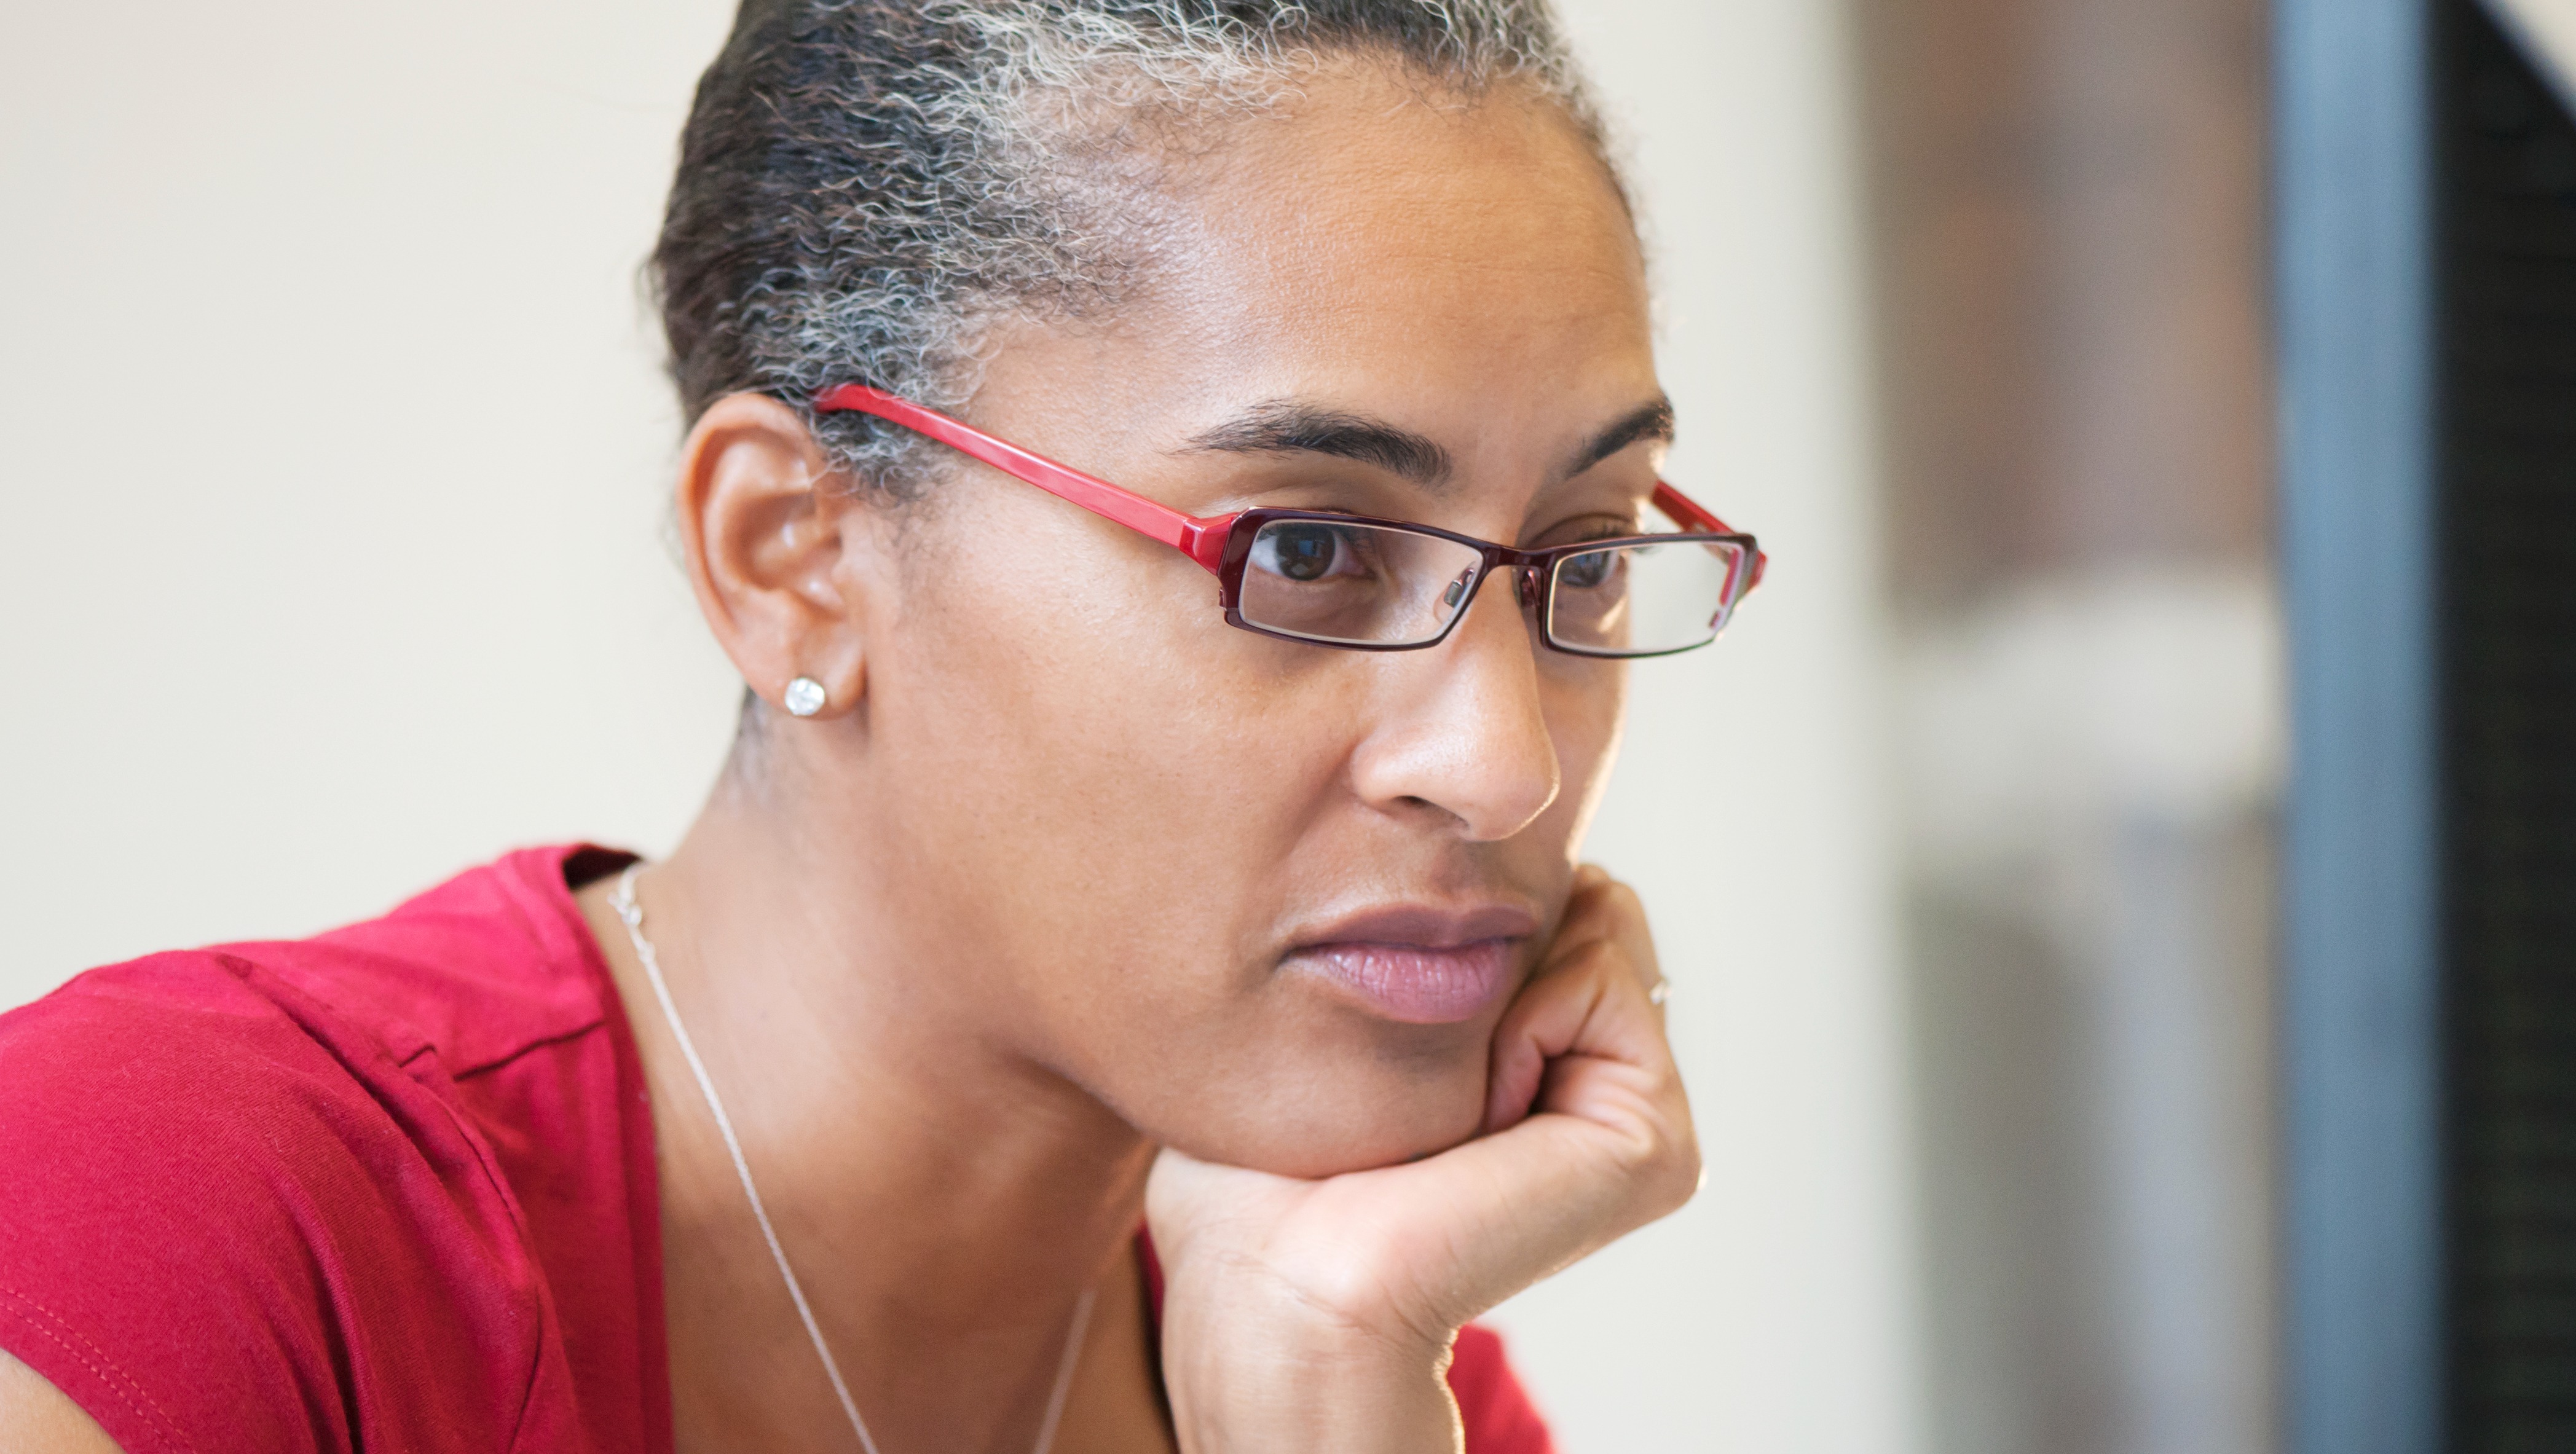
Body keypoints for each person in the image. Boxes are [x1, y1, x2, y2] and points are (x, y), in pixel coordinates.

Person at [0, 1, 1757, 1448]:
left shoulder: (1335, 1317)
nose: (1502, 764)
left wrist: (1320, 1389)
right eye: (1305, 551)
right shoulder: (182, 1228)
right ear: (796, 558)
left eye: (1585, 554)